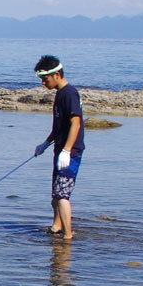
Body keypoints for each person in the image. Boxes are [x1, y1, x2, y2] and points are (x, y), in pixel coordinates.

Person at [31, 55, 84, 240]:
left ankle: (68, 236)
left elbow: (75, 124)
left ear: (57, 74)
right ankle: (56, 227)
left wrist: (67, 151)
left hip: (70, 153)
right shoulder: (60, 94)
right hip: (60, 150)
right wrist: (45, 143)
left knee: (62, 194)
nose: (43, 83)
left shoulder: (69, 94)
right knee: (55, 193)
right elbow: (59, 127)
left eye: (45, 79)